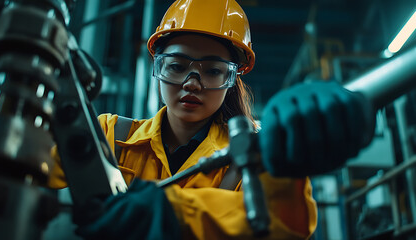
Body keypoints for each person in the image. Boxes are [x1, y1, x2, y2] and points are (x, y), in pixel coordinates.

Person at [48, 0, 375, 239]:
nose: (192, 82)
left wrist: (176, 214)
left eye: (213, 70)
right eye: (176, 66)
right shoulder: (106, 134)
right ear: (158, 68)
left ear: (232, 80)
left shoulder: (260, 153)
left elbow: (283, 229)